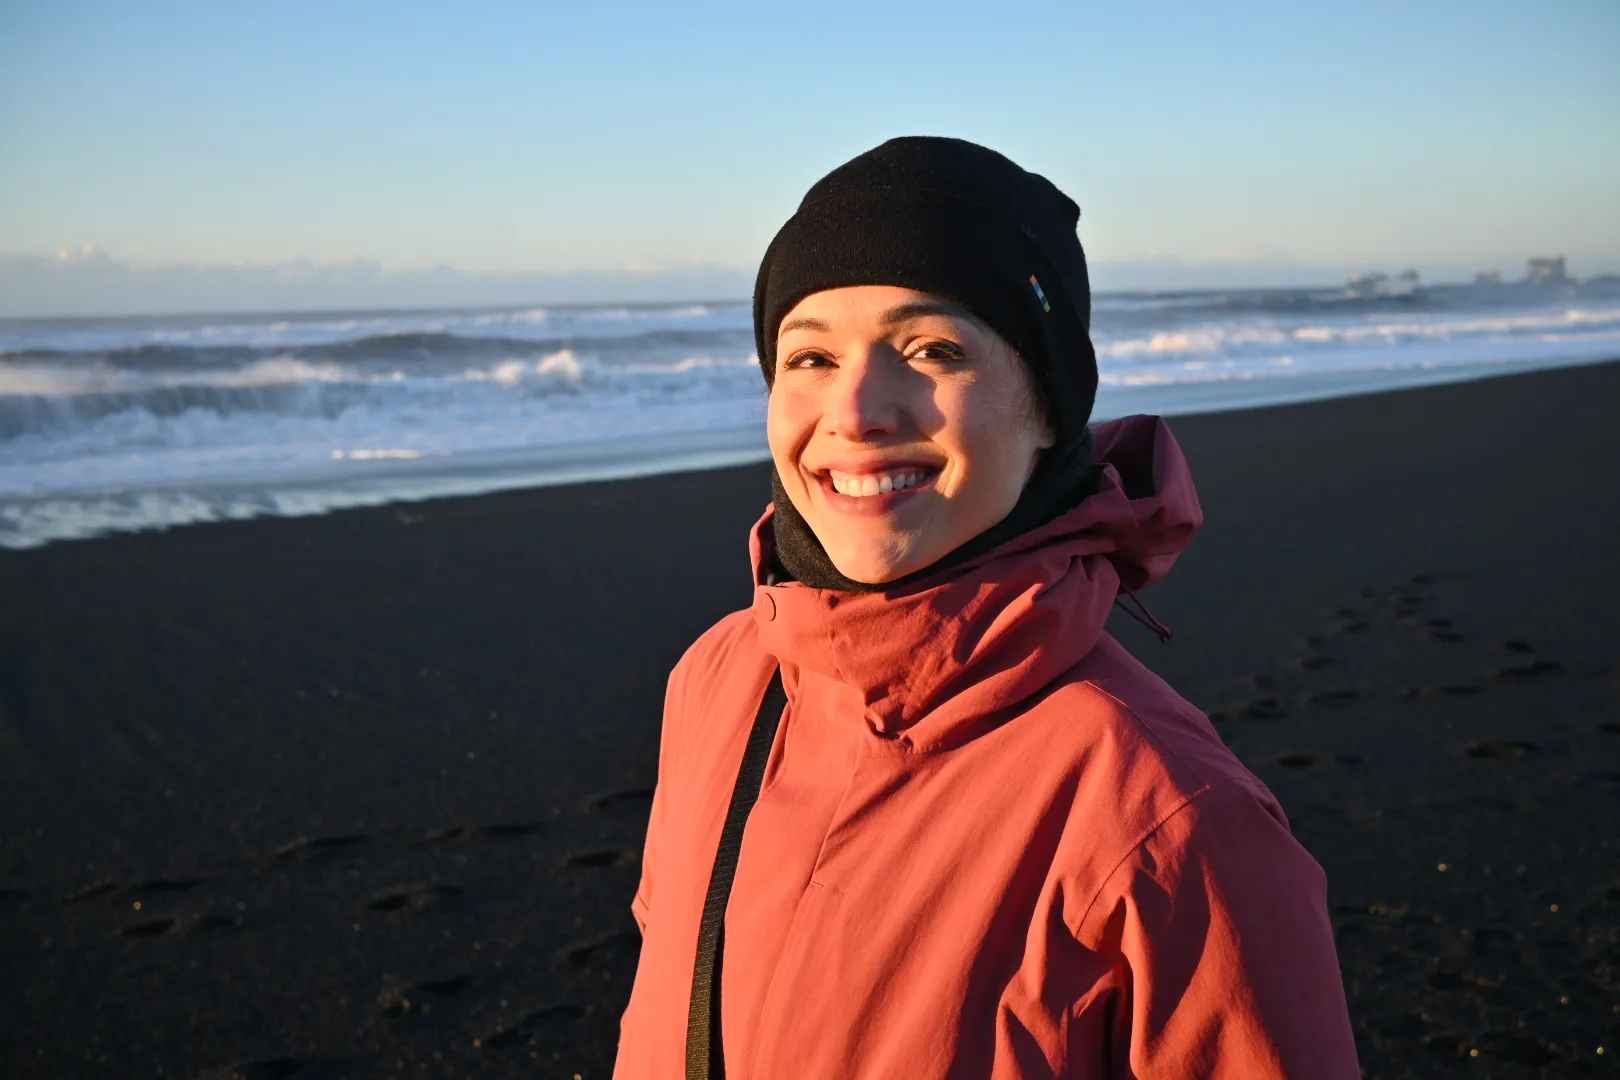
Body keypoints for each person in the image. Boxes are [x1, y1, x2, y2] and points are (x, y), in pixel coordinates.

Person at [613, 137, 1359, 1079]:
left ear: (1047, 408)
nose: (855, 411)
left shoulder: (1165, 812)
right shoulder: (721, 677)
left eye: (932, 349)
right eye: (808, 355)